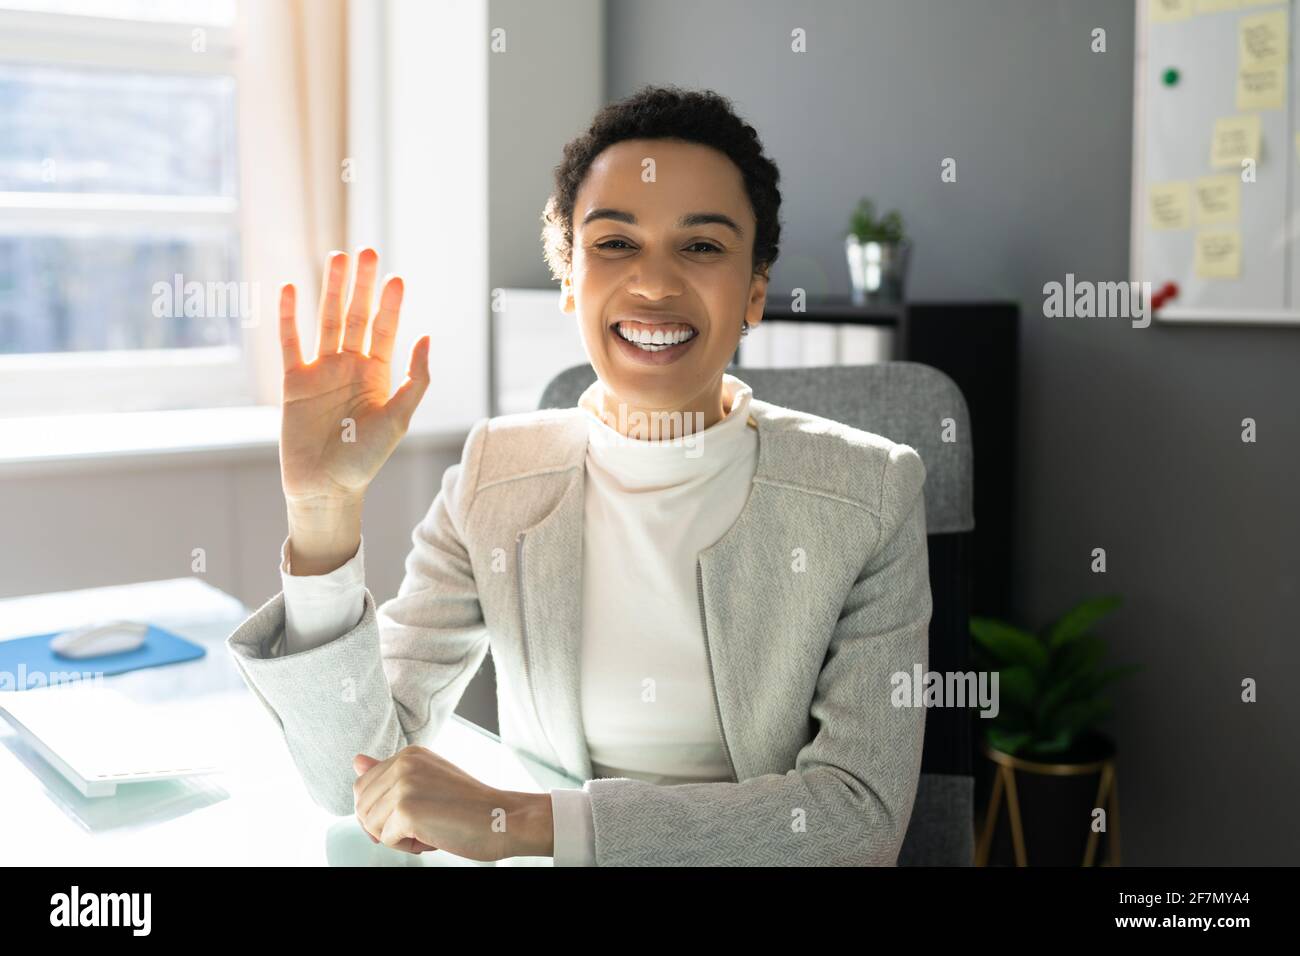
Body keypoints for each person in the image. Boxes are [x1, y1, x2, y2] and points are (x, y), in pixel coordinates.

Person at [226, 84, 932, 866]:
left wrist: (522, 822)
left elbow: (857, 819)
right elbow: (352, 778)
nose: (656, 285)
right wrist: (323, 518)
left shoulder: (870, 495)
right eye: (615, 244)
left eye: (701, 246)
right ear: (569, 278)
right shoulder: (497, 476)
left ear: (755, 290)